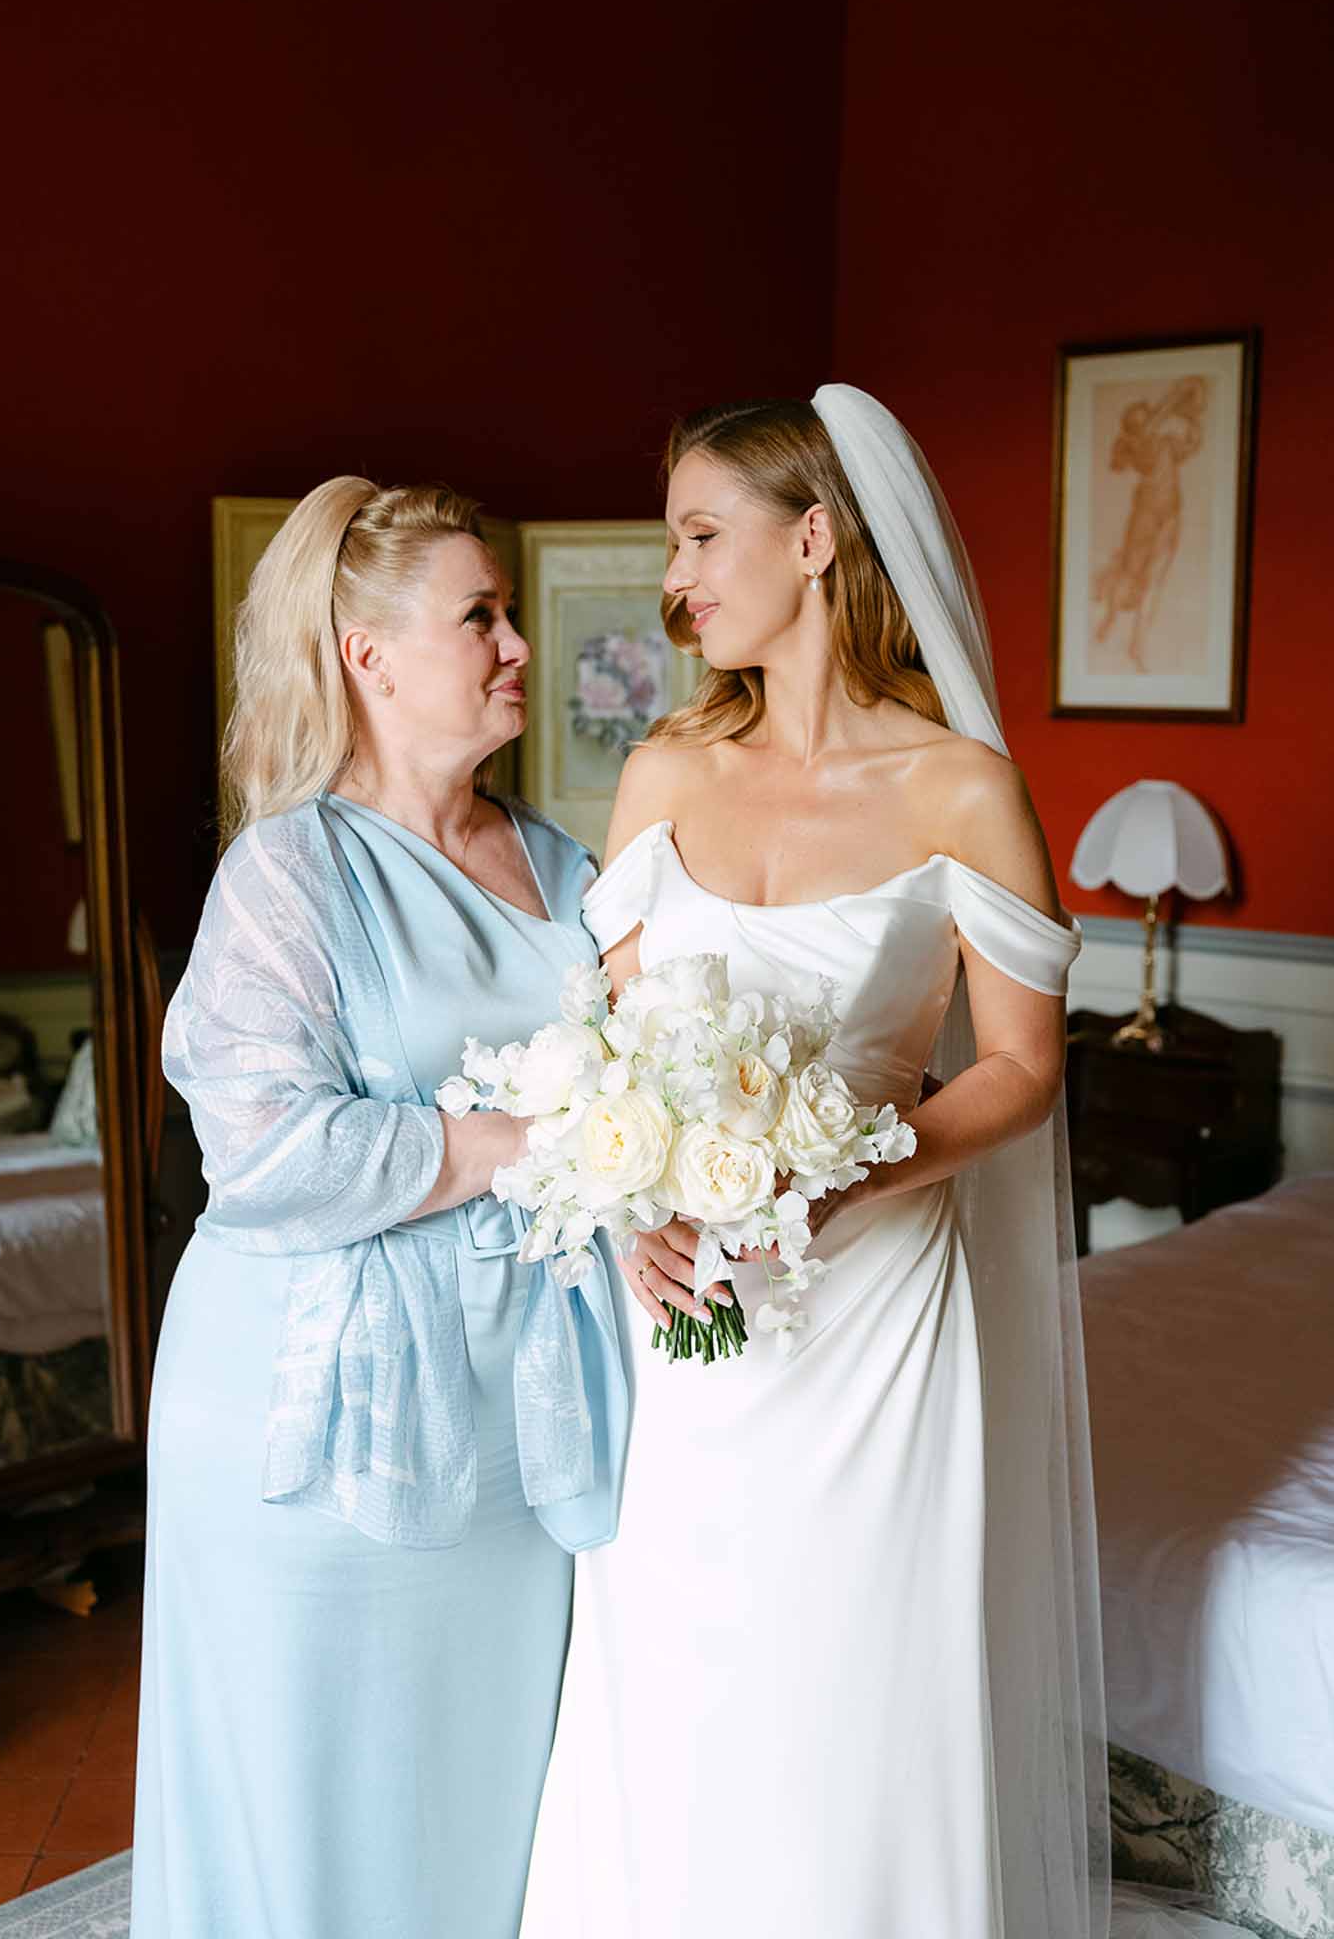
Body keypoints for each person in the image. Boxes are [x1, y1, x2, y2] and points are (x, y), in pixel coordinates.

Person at [521, 389, 1250, 1939]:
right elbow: (612, 1057)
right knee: (679, 1657)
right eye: (671, 544)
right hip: (687, 1325)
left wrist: (849, 1170)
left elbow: (1021, 1072)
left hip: (869, 1315)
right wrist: (633, 1205)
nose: (674, 579)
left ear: (815, 534)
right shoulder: (659, 773)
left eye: (700, 536)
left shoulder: (959, 790)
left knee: (848, 1669)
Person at [131, 477, 627, 1939]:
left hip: (518, 1391)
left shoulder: (558, 865)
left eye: (509, 612)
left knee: (481, 1788)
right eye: (479, 615)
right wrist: (536, 1140)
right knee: (325, 1792)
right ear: (367, 654)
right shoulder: (289, 870)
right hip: (320, 1408)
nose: (518, 644)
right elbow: (269, 1153)